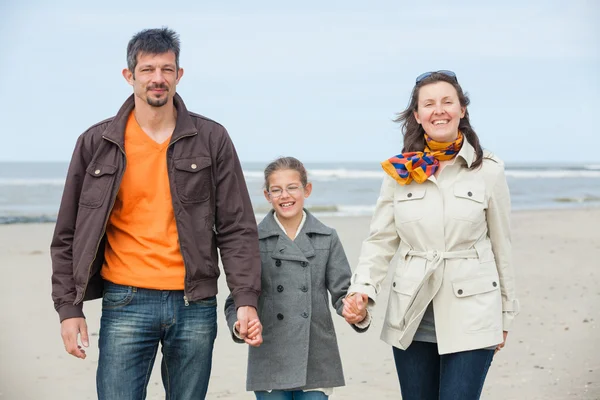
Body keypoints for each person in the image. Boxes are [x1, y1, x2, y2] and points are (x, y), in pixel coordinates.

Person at [50, 27, 262, 399]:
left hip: (194, 302)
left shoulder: (212, 139)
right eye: (147, 70)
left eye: (167, 69)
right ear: (128, 76)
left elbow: (236, 227)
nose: (157, 79)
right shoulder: (95, 143)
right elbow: (67, 233)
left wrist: (245, 298)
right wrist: (69, 308)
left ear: (179, 75)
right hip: (125, 299)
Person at [342, 71, 520, 400]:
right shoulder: (400, 172)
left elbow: (502, 246)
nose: (439, 110)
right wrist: (362, 290)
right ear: (417, 115)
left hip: (474, 310)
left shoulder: (489, 170)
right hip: (412, 310)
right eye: (429, 104)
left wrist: (506, 313)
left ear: (462, 110)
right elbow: (380, 241)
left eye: (447, 101)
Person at [224, 156, 370, 399]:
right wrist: (240, 326)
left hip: (316, 355)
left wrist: (358, 311)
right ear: (267, 195)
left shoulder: (327, 237)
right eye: (276, 190)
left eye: (292, 187)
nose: (285, 195)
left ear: (307, 189)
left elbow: (343, 295)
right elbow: (236, 300)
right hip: (269, 353)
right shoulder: (253, 240)